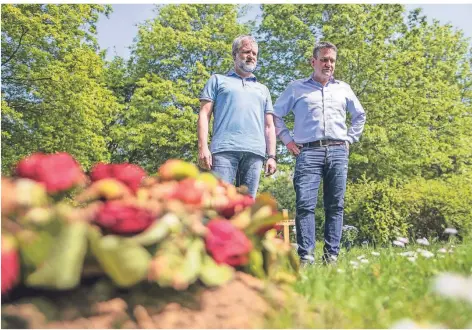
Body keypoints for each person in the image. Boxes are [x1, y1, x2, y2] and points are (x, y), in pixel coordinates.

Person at [273, 41, 366, 265]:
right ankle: (306, 256)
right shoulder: (296, 88)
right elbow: (275, 115)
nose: (328, 64)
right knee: (305, 204)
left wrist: (349, 140)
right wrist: (287, 141)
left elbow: (359, 115)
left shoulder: (343, 88)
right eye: (324, 59)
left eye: (332, 60)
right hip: (308, 153)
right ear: (313, 62)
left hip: (338, 151)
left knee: (335, 205)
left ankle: (331, 255)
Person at [197, 35, 277, 198]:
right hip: (223, 150)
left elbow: (269, 126)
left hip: (255, 152)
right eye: (246, 51)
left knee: (247, 207)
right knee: (219, 203)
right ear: (234, 54)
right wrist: (203, 147)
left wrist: (272, 156)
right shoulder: (217, 80)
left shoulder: (263, 89)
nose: (251, 56)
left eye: (254, 53)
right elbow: (204, 114)